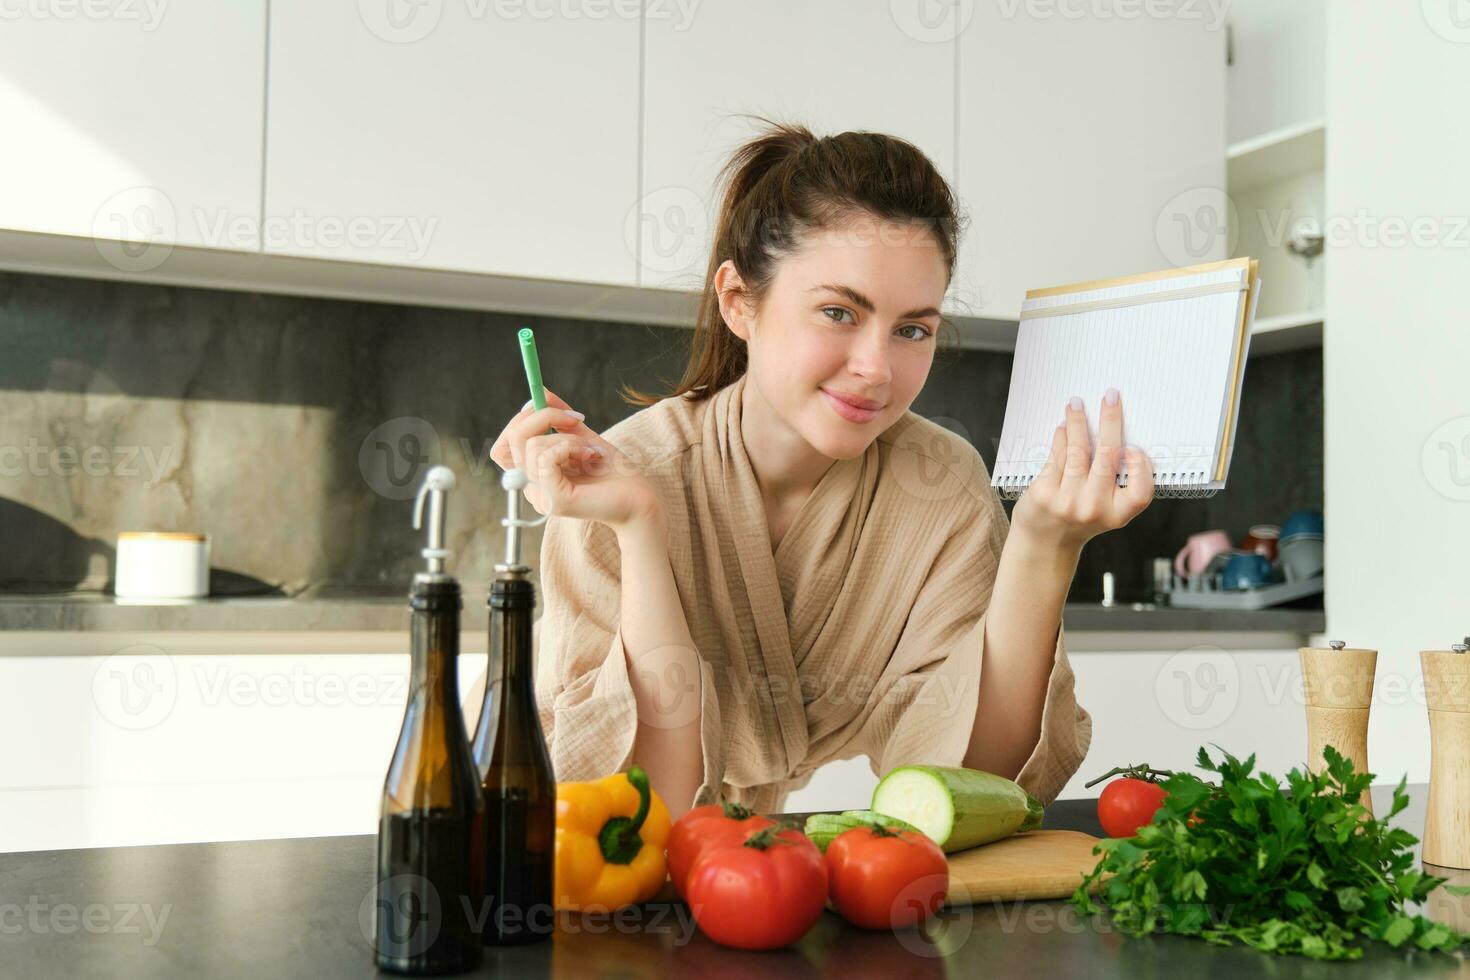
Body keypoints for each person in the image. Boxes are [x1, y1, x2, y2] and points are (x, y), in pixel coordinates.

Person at [481, 120, 1154, 819]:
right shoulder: (621, 482)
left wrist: (1044, 548)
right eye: (838, 312)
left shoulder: (940, 485)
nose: (876, 368)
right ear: (739, 302)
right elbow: (644, 806)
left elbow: (976, 785)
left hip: (745, 866)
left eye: (913, 329)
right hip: (527, 832)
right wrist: (642, 529)